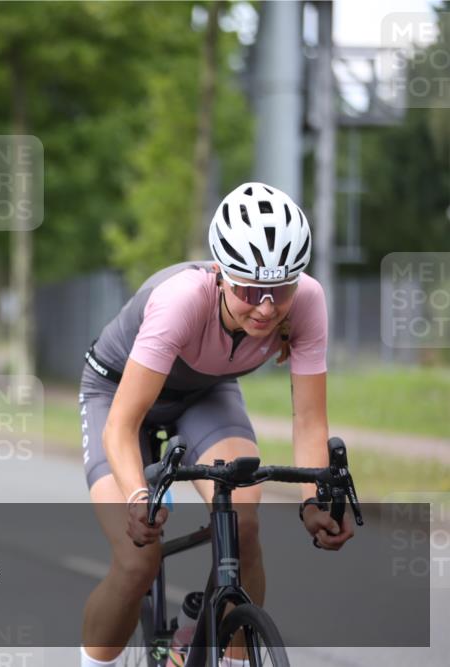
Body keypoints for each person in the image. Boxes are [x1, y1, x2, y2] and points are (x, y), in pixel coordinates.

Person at [78, 183, 355, 667]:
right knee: (138, 557)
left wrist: (315, 501)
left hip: (206, 393)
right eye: (250, 290)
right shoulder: (181, 301)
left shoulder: (308, 301)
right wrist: (140, 497)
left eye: (281, 289)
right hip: (118, 395)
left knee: (244, 523)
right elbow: (122, 425)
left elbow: (310, 419)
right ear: (221, 275)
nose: (267, 308)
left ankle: (226, 656)